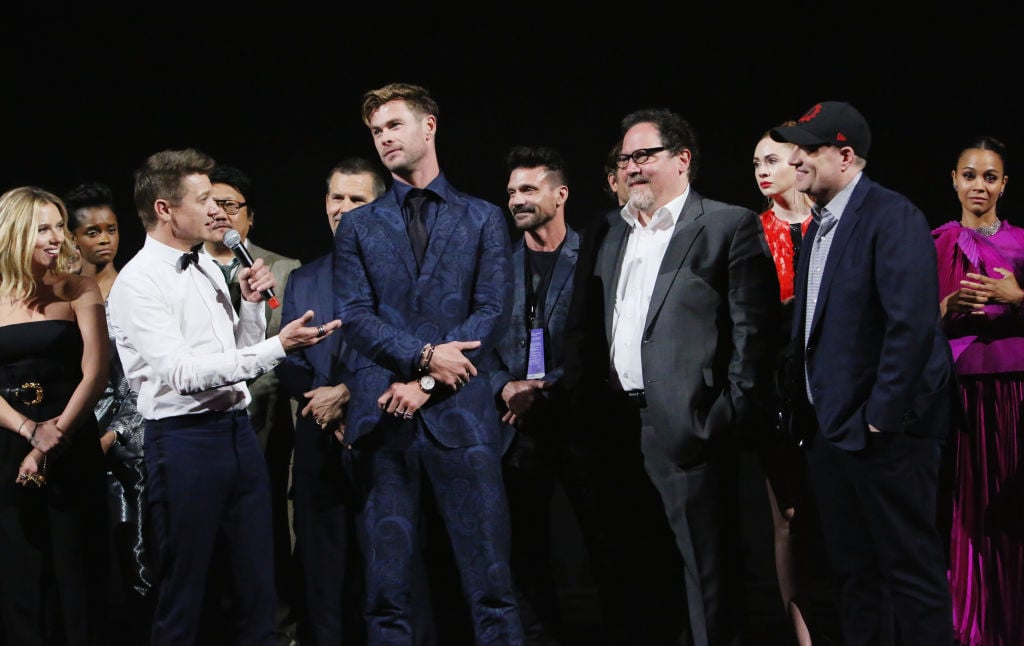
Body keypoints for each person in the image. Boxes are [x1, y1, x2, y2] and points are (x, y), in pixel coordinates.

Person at [106, 148, 340, 646]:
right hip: (183, 444)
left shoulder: (210, 267)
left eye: (220, 200)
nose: (218, 210)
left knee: (257, 584)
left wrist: (254, 312)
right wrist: (278, 344)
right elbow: (185, 374)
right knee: (186, 592)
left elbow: (236, 356)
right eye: (204, 199)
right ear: (166, 210)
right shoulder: (138, 282)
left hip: (237, 436)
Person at [570, 107, 780, 645]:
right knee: (639, 583)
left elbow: (752, 337)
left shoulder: (726, 224)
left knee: (707, 584)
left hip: (691, 434)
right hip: (618, 433)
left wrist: (722, 417)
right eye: (626, 158)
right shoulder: (607, 232)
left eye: (645, 156)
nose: (633, 167)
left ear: (682, 160)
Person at [333, 82, 525, 644]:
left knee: (491, 586)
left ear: (429, 127)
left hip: (461, 421)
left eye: (394, 125)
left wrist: (425, 380)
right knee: (386, 594)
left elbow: (491, 312)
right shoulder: (360, 226)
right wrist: (422, 357)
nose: (384, 138)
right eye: (376, 131)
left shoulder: (483, 218)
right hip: (384, 425)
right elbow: (355, 314)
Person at [772, 101, 956, 646]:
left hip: (885, 436)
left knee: (910, 573)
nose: (795, 159)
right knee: (855, 576)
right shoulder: (820, 224)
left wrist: (880, 419)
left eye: (808, 149)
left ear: (846, 155)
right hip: (831, 436)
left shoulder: (891, 215)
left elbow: (911, 325)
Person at [276, 156, 388, 645]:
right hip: (316, 434)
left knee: (382, 565)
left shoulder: (401, 276)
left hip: (381, 431)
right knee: (321, 569)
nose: (343, 208)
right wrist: (318, 398)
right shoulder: (304, 277)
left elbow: (404, 349)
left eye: (357, 199)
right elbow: (286, 355)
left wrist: (348, 393)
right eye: (336, 198)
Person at [0, 186, 110, 645]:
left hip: (71, 442)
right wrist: (28, 431)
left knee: (76, 567)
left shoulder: (79, 287)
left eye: (60, 225)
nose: (57, 237)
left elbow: (97, 372)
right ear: (14, 233)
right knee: (20, 571)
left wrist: (53, 436)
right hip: (7, 443)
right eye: (43, 227)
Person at [202, 164, 303, 642]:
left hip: (264, 421)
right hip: (198, 422)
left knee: (265, 536)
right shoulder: (182, 267)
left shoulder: (282, 269)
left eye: (231, 205)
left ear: (250, 216)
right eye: (212, 204)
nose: (220, 213)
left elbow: (286, 349)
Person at [933, 135, 1023, 646]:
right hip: (960, 393)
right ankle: (970, 620)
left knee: (1013, 508)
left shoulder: (1021, 243)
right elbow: (907, 325)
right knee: (965, 508)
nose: (979, 186)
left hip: (1014, 391)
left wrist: (1018, 296)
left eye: (990, 177)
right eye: (970, 175)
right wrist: (944, 311)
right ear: (953, 179)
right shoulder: (937, 242)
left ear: (1004, 184)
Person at [490, 145, 580, 644]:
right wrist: (507, 387)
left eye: (528, 189)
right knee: (524, 552)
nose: (516, 199)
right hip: (515, 431)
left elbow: (610, 340)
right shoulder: (498, 270)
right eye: (511, 192)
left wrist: (549, 386)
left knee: (602, 542)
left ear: (560, 193)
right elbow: (477, 349)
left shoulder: (595, 257)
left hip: (580, 422)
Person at [66, 181, 155, 644]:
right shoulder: (61, 295)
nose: (105, 239)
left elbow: (148, 377)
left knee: (136, 554)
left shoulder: (135, 288)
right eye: (93, 231)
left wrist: (116, 434)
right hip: (71, 438)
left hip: (131, 444)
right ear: (71, 237)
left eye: (112, 229)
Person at [750, 125, 818, 646]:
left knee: (834, 512)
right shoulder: (751, 232)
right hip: (776, 391)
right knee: (788, 518)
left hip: (830, 387)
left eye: (771, 160)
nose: (762, 171)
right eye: (756, 164)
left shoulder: (830, 225)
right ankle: (801, 636)